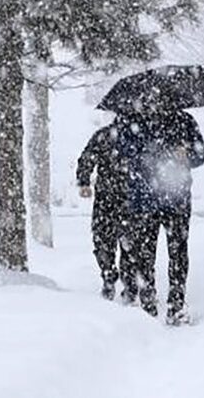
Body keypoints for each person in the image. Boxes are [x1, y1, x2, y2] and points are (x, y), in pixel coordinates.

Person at [116, 110, 204, 326]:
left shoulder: (184, 121)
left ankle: (176, 304)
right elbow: (123, 153)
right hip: (146, 199)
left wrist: (187, 154)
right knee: (146, 254)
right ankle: (148, 303)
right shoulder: (133, 121)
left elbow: (200, 155)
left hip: (176, 199)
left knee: (178, 252)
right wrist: (153, 154)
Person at [76, 118, 135, 303]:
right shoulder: (136, 135)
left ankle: (111, 276)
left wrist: (84, 180)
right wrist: (84, 180)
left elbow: (86, 158)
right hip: (127, 198)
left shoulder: (104, 135)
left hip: (108, 197)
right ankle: (125, 282)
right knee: (128, 243)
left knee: (105, 240)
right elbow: (87, 158)